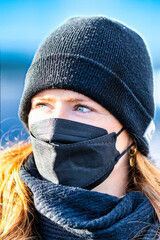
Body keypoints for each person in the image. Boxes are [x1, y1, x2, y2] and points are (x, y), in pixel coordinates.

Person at [0, 16, 160, 240]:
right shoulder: (4, 217)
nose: (55, 123)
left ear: (132, 133)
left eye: (82, 108)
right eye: (43, 104)